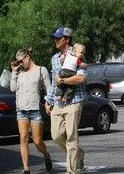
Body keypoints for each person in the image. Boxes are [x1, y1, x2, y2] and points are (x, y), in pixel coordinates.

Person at [45, 26, 88, 174]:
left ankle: (71, 170)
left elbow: (81, 78)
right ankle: (79, 155)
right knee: (56, 135)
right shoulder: (54, 58)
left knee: (71, 136)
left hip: (75, 100)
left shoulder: (78, 55)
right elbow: (53, 81)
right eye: (55, 38)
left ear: (67, 39)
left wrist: (62, 81)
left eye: (58, 38)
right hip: (58, 102)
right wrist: (49, 100)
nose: (55, 40)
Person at [10, 48, 52, 174]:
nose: (20, 64)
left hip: (35, 109)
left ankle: (46, 154)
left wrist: (48, 103)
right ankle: (26, 169)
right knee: (23, 139)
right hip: (21, 110)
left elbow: (49, 89)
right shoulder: (19, 73)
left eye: (21, 61)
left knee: (37, 140)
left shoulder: (41, 70)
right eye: (18, 62)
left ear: (28, 57)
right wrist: (14, 72)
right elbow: (12, 89)